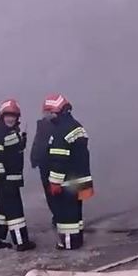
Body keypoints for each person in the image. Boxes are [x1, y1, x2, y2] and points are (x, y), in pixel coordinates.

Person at [41, 93, 94, 250]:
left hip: (67, 182)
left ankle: (69, 244)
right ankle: (77, 239)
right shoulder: (76, 126)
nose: (47, 116)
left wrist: (54, 182)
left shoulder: (60, 131)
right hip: (80, 179)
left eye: (49, 112)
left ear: (56, 112)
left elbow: (59, 160)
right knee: (76, 212)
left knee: (66, 214)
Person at [0, 99, 36, 252]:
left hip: (12, 179)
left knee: (2, 212)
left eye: (13, 116)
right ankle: (22, 242)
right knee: (15, 212)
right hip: (5, 180)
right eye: (7, 116)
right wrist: (0, 177)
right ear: (2, 116)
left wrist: (22, 142)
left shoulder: (11, 131)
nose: (10, 119)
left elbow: (12, 150)